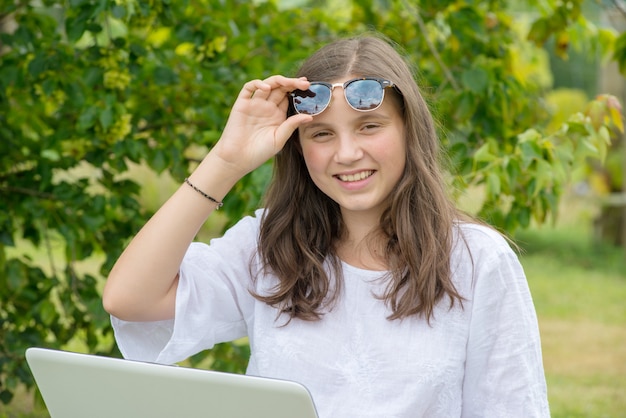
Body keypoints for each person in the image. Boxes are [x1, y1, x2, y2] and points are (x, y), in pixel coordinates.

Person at [103, 35, 550, 417]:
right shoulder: (269, 246)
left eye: (369, 126)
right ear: (299, 147)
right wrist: (225, 161)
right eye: (321, 134)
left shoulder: (477, 261)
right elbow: (129, 298)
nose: (347, 153)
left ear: (410, 130)